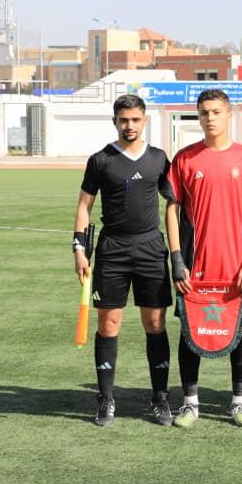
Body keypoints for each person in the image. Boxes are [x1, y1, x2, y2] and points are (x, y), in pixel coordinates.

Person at [165, 88, 242, 429]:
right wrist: (177, 259)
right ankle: (190, 403)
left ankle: (239, 403)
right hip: (196, 265)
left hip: (236, 265)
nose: (210, 118)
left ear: (229, 115)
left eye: (217, 111)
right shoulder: (185, 159)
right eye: (204, 112)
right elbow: (172, 210)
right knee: (189, 329)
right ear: (198, 115)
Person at [72, 94, 174, 427]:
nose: (129, 125)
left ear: (145, 121)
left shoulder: (159, 159)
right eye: (123, 120)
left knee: (155, 324)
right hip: (112, 250)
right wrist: (79, 249)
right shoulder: (100, 160)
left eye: (135, 119)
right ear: (114, 121)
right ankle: (105, 398)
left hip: (151, 249)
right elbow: (84, 206)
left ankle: (160, 397)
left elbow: (175, 204)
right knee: (108, 325)